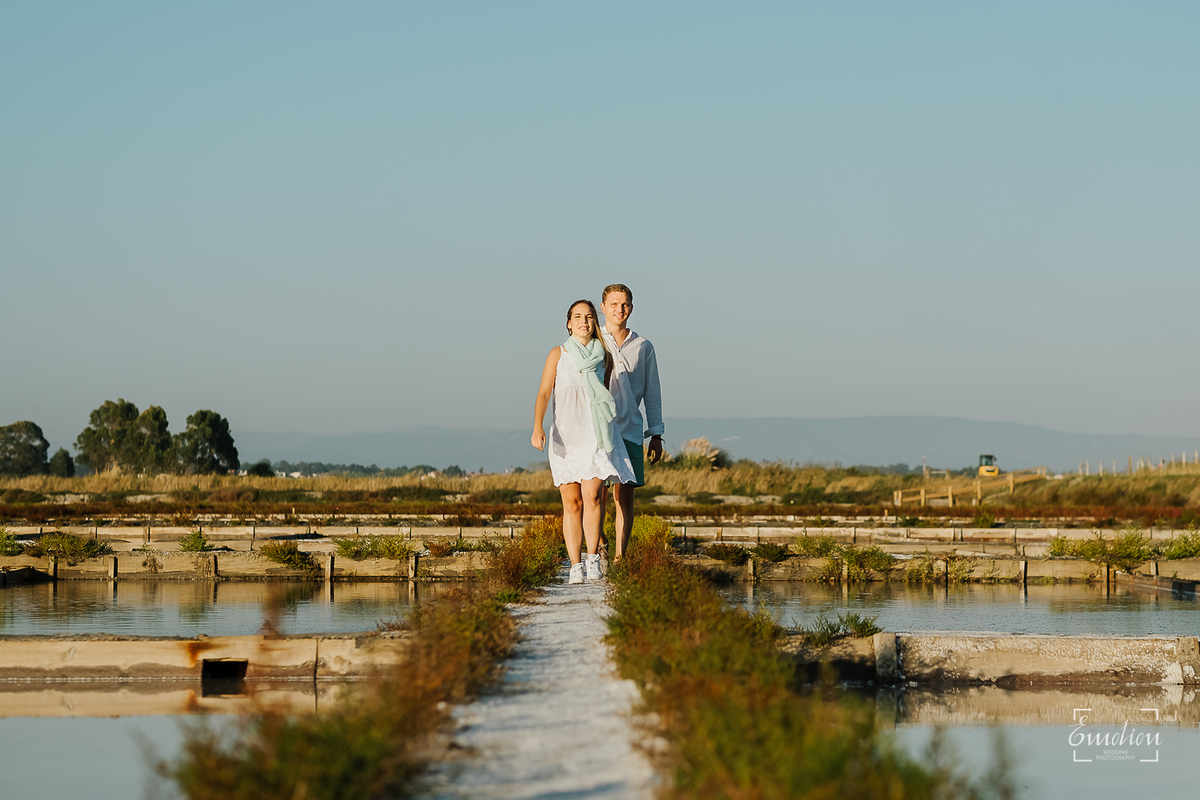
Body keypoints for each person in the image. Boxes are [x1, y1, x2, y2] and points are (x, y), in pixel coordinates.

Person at [532, 299, 636, 584]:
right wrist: (537, 427)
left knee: (593, 497)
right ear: (569, 322)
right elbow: (543, 394)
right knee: (572, 503)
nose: (584, 321)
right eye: (578, 317)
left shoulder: (603, 355)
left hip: (595, 433)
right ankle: (575, 564)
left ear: (594, 322)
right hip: (565, 434)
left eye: (589, 316)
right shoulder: (558, 354)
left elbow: (605, 394)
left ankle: (592, 558)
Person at [598, 283, 663, 561]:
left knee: (624, 496)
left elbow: (652, 391)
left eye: (624, 304)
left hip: (631, 430)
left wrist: (656, 433)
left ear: (631, 308)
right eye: (614, 304)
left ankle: (620, 557)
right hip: (598, 427)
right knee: (596, 492)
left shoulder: (643, 346)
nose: (619, 309)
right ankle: (598, 543)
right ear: (603, 307)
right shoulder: (593, 340)